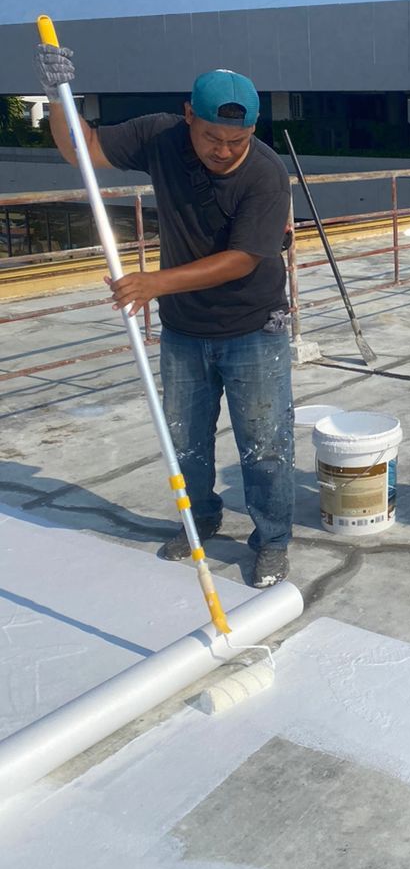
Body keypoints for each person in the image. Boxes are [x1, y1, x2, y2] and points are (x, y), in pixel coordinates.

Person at [36, 44, 295, 589]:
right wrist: (59, 97)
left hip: (254, 326)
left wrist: (154, 284)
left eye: (237, 141)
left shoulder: (266, 173)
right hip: (185, 329)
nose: (224, 151)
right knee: (186, 441)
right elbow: (82, 150)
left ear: (252, 131)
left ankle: (272, 541)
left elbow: (242, 259)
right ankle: (199, 523)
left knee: (266, 445)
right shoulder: (159, 136)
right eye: (212, 137)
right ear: (187, 116)